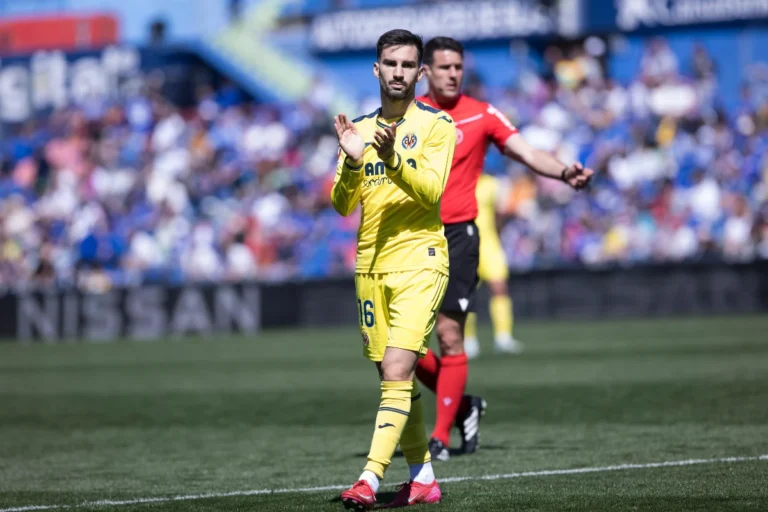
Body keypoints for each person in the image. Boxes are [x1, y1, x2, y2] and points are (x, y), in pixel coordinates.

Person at [415, 37, 593, 461]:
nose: (453, 74)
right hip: (413, 238)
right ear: (427, 72)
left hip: (459, 234)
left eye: (457, 66)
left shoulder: (482, 113)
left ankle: (439, 437)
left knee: (449, 335)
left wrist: (564, 172)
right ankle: (463, 405)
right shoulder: (409, 115)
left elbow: (527, 152)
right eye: (443, 67)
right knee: (394, 346)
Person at [331, 29, 457, 510]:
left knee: (400, 369)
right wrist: (349, 162)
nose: (399, 72)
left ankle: (368, 478)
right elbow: (343, 205)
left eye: (408, 65)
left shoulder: (437, 125)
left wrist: (390, 157)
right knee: (393, 376)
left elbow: (430, 191)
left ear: (420, 72)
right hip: (370, 267)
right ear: (377, 69)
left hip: (421, 261)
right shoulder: (358, 128)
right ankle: (422, 477)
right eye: (391, 63)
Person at [463, 173, 523, 359]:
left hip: (489, 244)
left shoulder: (491, 184)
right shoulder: (458, 181)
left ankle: (503, 337)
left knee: (500, 287)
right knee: (466, 293)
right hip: (466, 243)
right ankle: (469, 340)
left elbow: (499, 215)